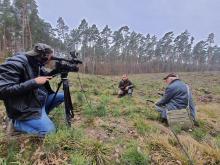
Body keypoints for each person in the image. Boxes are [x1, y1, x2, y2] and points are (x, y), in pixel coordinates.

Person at [0, 43, 64, 137]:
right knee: (50, 133)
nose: (50, 60)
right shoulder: (15, 63)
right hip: (24, 109)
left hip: (36, 101)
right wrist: (34, 82)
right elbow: (3, 91)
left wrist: (59, 70)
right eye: (50, 57)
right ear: (43, 56)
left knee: (63, 96)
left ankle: (41, 116)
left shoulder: (35, 62)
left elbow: (45, 76)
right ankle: (16, 124)